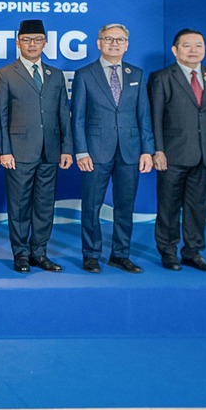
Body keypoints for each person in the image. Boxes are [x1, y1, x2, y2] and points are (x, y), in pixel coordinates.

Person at [72, 23, 154, 273]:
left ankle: (120, 254)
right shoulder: (85, 74)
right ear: (99, 43)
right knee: (92, 206)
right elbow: (78, 117)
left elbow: (144, 115)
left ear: (127, 45)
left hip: (130, 151)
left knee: (125, 206)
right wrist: (81, 151)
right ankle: (91, 254)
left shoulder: (137, 74)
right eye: (109, 39)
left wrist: (148, 150)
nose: (114, 44)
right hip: (96, 151)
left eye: (120, 40)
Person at [0, 19, 73, 273]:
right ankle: (21, 254)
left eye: (37, 40)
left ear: (45, 43)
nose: (32, 44)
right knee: (19, 205)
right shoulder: (6, 74)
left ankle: (39, 252)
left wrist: (67, 148)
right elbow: (0, 115)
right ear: (18, 43)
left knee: (45, 205)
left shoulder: (55, 75)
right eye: (26, 40)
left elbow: (64, 114)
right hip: (19, 151)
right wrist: (4, 150)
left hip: (50, 151)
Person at [149, 28, 206, 272]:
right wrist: (157, 150)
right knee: (168, 207)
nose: (194, 50)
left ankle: (193, 252)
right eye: (187, 45)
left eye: (199, 45)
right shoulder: (162, 77)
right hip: (172, 153)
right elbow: (155, 117)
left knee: (198, 207)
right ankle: (168, 251)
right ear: (175, 50)